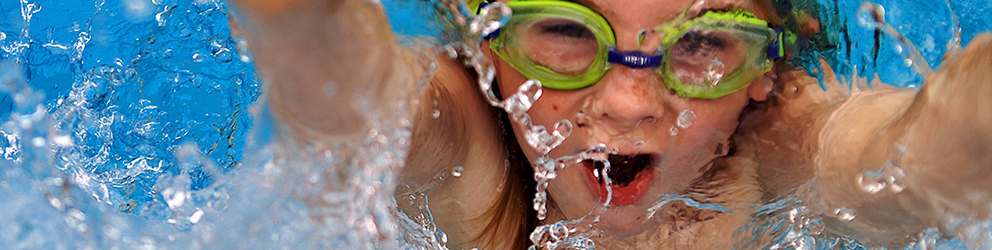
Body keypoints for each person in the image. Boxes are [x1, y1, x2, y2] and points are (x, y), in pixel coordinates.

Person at [227, 0, 992, 248]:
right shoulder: (463, 132)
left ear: (764, 70)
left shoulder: (780, 141)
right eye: (565, 34)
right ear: (487, 38)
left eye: (700, 45)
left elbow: (918, 159)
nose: (628, 104)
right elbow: (346, 92)